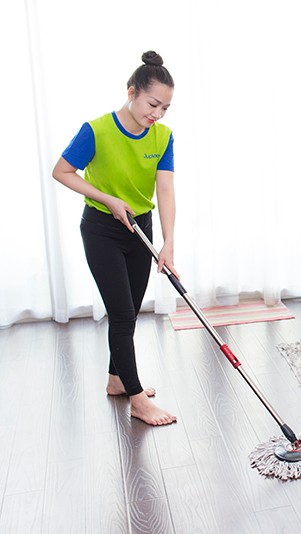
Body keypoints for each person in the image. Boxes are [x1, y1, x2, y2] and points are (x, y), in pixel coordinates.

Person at [52, 51, 178, 425]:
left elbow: (165, 189)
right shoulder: (96, 131)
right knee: (121, 313)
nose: (157, 114)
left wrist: (169, 242)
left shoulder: (163, 136)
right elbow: (62, 171)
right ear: (131, 92)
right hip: (102, 229)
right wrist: (106, 198)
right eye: (152, 104)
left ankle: (116, 380)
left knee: (129, 312)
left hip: (140, 228)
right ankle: (137, 400)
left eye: (165, 108)